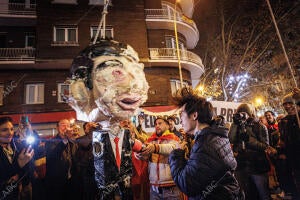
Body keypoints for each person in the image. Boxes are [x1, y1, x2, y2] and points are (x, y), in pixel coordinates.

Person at [66, 39, 149, 200]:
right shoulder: (87, 141)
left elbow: (137, 146)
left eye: (137, 71)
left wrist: (148, 150)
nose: (132, 82)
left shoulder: (125, 134)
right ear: (82, 89)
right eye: (115, 70)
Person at [168, 87, 241, 200]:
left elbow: (187, 185)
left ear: (194, 115)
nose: (180, 119)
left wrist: (176, 154)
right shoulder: (214, 136)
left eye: (181, 114)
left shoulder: (205, 145)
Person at [229, 103, 276, 200]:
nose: (242, 115)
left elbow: (265, 146)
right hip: (241, 165)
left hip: (257, 166)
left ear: (250, 114)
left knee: (263, 193)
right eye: (240, 113)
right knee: (245, 194)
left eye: (244, 113)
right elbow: (231, 139)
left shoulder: (260, 126)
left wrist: (249, 140)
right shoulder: (237, 126)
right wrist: (234, 124)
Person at [137, 116, 183, 200]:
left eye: (160, 123)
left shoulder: (174, 138)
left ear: (167, 126)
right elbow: (146, 158)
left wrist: (156, 147)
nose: (157, 125)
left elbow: (173, 149)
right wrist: (140, 155)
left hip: (171, 187)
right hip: (154, 188)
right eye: (155, 124)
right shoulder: (151, 140)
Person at [0, 116, 34, 200]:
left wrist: (29, 132)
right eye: (4, 130)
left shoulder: (16, 147)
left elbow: (28, 170)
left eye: (11, 129)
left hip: (20, 194)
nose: (10, 133)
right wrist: (18, 165)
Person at [45, 119, 78, 200]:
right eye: (63, 125)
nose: (66, 127)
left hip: (71, 181)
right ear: (57, 128)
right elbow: (52, 155)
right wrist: (65, 140)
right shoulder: (50, 142)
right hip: (56, 182)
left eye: (68, 125)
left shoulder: (73, 142)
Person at [278, 89, 300, 199]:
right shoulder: (283, 121)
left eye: (290, 103)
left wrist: (298, 98)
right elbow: (282, 140)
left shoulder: (298, 118)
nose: (287, 106)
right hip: (293, 159)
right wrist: (281, 150)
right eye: (285, 104)